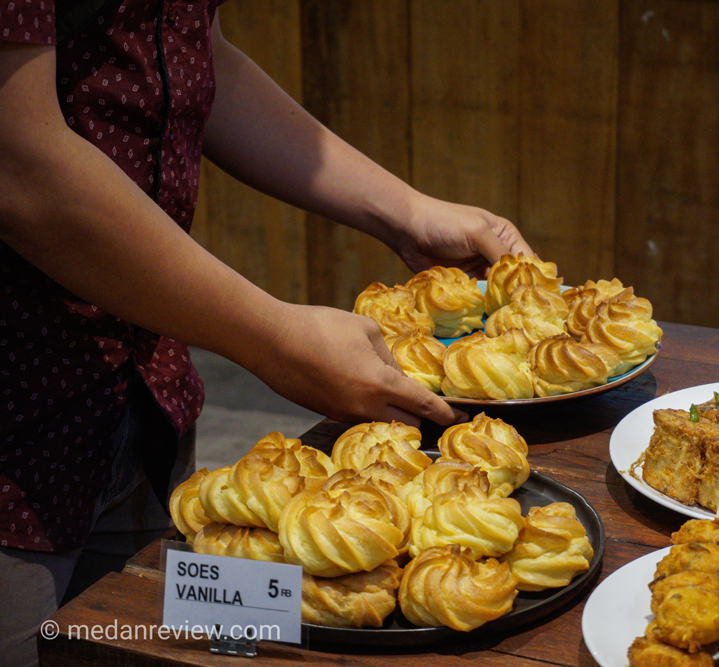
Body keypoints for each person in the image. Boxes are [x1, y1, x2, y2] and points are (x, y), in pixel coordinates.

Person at [0, 1, 533, 664]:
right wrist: (272, 335)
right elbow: (18, 162)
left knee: (144, 644)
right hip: (18, 431)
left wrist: (408, 214)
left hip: (146, 394)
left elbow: (193, 51)